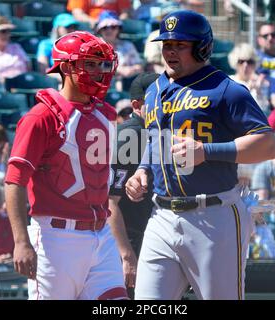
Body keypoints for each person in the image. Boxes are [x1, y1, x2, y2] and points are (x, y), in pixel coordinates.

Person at [125, 10, 275, 300]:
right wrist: (143, 169)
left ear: (202, 47)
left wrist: (206, 151)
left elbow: (267, 144)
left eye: (180, 45)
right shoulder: (155, 89)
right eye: (167, 44)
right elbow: (155, 136)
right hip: (161, 216)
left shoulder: (226, 89)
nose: (170, 51)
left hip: (214, 215)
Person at [4, 31, 128, 300]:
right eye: (90, 64)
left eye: (102, 64)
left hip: (101, 233)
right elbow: (15, 181)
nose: (98, 71)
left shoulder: (104, 114)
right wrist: (21, 241)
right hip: (56, 239)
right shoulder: (41, 117)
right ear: (67, 67)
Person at [109, 72, 159, 298]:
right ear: (137, 105)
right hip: (129, 240)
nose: (164, 105)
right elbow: (109, 202)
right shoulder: (131, 134)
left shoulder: (156, 133)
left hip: (148, 238)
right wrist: (127, 255)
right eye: (157, 100)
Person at [228, 43, 275, 112]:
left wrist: (259, 92)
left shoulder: (263, 83)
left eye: (250, 62)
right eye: (241, 61)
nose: (245, 65)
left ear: (255, 64)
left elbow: (263, 111)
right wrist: (247, 91)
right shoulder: (229, 82)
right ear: (235, 63)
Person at [95, 11, 144, 91]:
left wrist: (131, 70)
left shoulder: (127, 45)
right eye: (105, 28)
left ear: (119, 29)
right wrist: (119, 70)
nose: (109, 30)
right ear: (99, 30)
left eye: (113, 27)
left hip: (127, 85)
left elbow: (139, 66)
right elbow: (95, 66)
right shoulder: (95, 46)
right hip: (101, 87)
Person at [67, 0, 131, 27]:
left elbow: (125, 13)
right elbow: (77, 13)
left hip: (113, 25)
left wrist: (115, 23)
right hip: (91, 25)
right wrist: (93, 21)